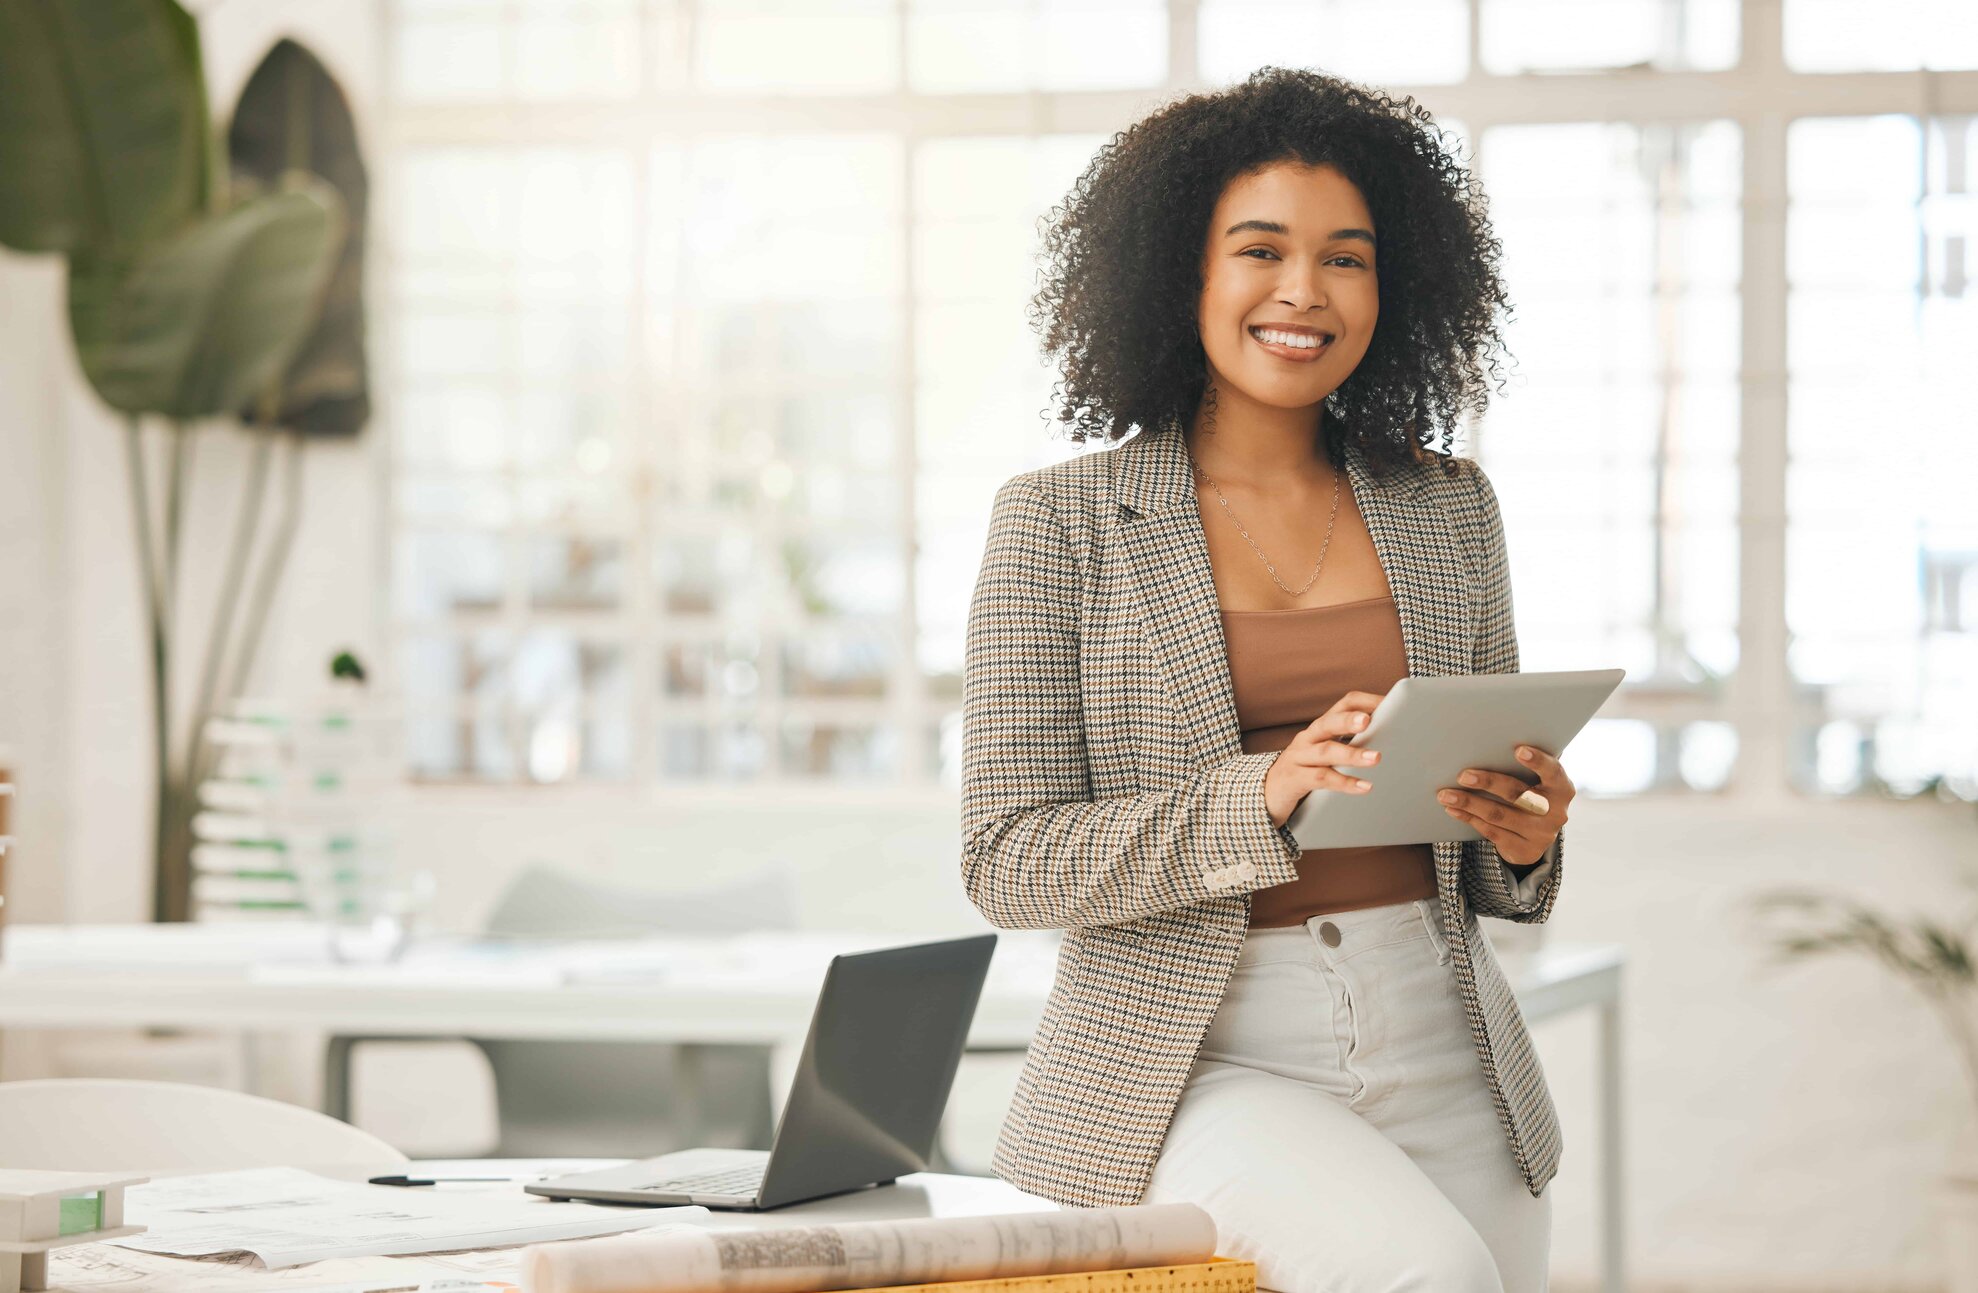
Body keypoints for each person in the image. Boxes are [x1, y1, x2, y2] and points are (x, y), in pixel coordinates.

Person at [959, 67, 1578, 1292]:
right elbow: (1006, 859)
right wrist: (1262, 793)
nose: (1303, 292)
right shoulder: (1060, 522)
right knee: (1427, 1276)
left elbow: (1504, 861)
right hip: (1200, 1051)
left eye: (1345, 258)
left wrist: (1525, 833)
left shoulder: (1450, 507)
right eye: (1259, 250)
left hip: (1443, 1028)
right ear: (1178, 271)